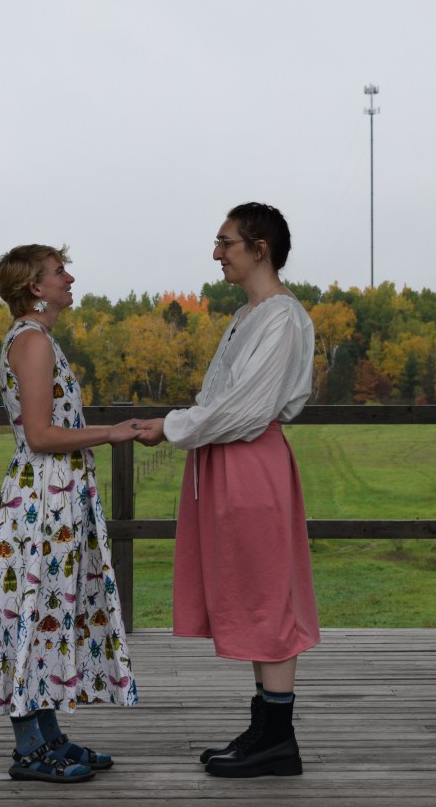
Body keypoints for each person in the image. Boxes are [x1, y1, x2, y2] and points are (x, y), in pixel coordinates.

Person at [136, 202, 320, 778]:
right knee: (247, 590)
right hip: (230, 463)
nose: (217, 254)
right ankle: (264, 729)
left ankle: (277, 739)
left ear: (258, 248)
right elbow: (223, 401)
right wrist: (184, 426)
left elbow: (245, 409)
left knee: (266, 596)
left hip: (250, 463)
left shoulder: (282, 318)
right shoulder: (251, 315)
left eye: (226, 243)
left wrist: (171, 427)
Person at [0, 243, 140, 784]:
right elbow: (42, 435)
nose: (69, 278)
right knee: (31, 612)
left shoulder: (38, 340)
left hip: (55, 495)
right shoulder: (31, 343)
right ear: (34, 288)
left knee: (48, 608)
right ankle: (28, 750)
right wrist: (111, 433)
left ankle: (49, 737)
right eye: (58, 272)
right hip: (42, 497)